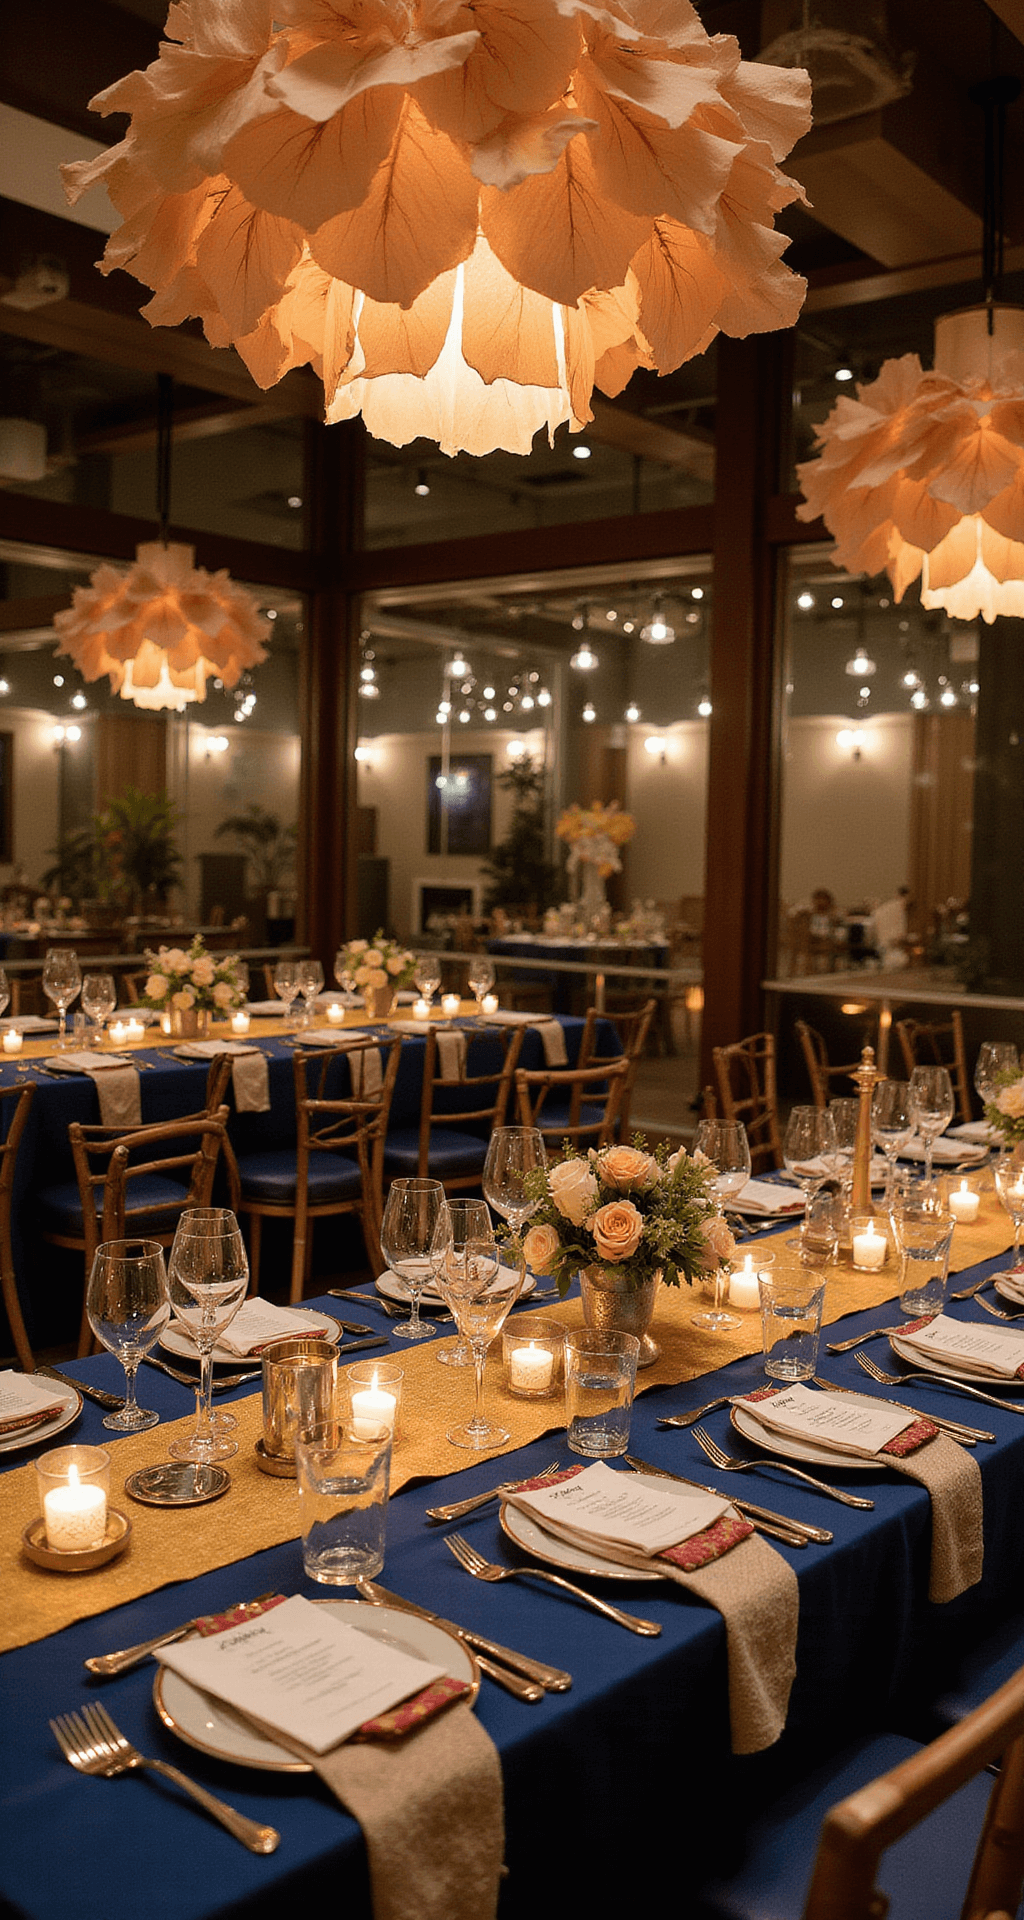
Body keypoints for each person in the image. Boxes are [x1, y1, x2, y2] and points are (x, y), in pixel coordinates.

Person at [872, 886, 911, 967]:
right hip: (889, 949)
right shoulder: (898, 908)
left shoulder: (883, 909)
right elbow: (898, 937)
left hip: (882, 947)